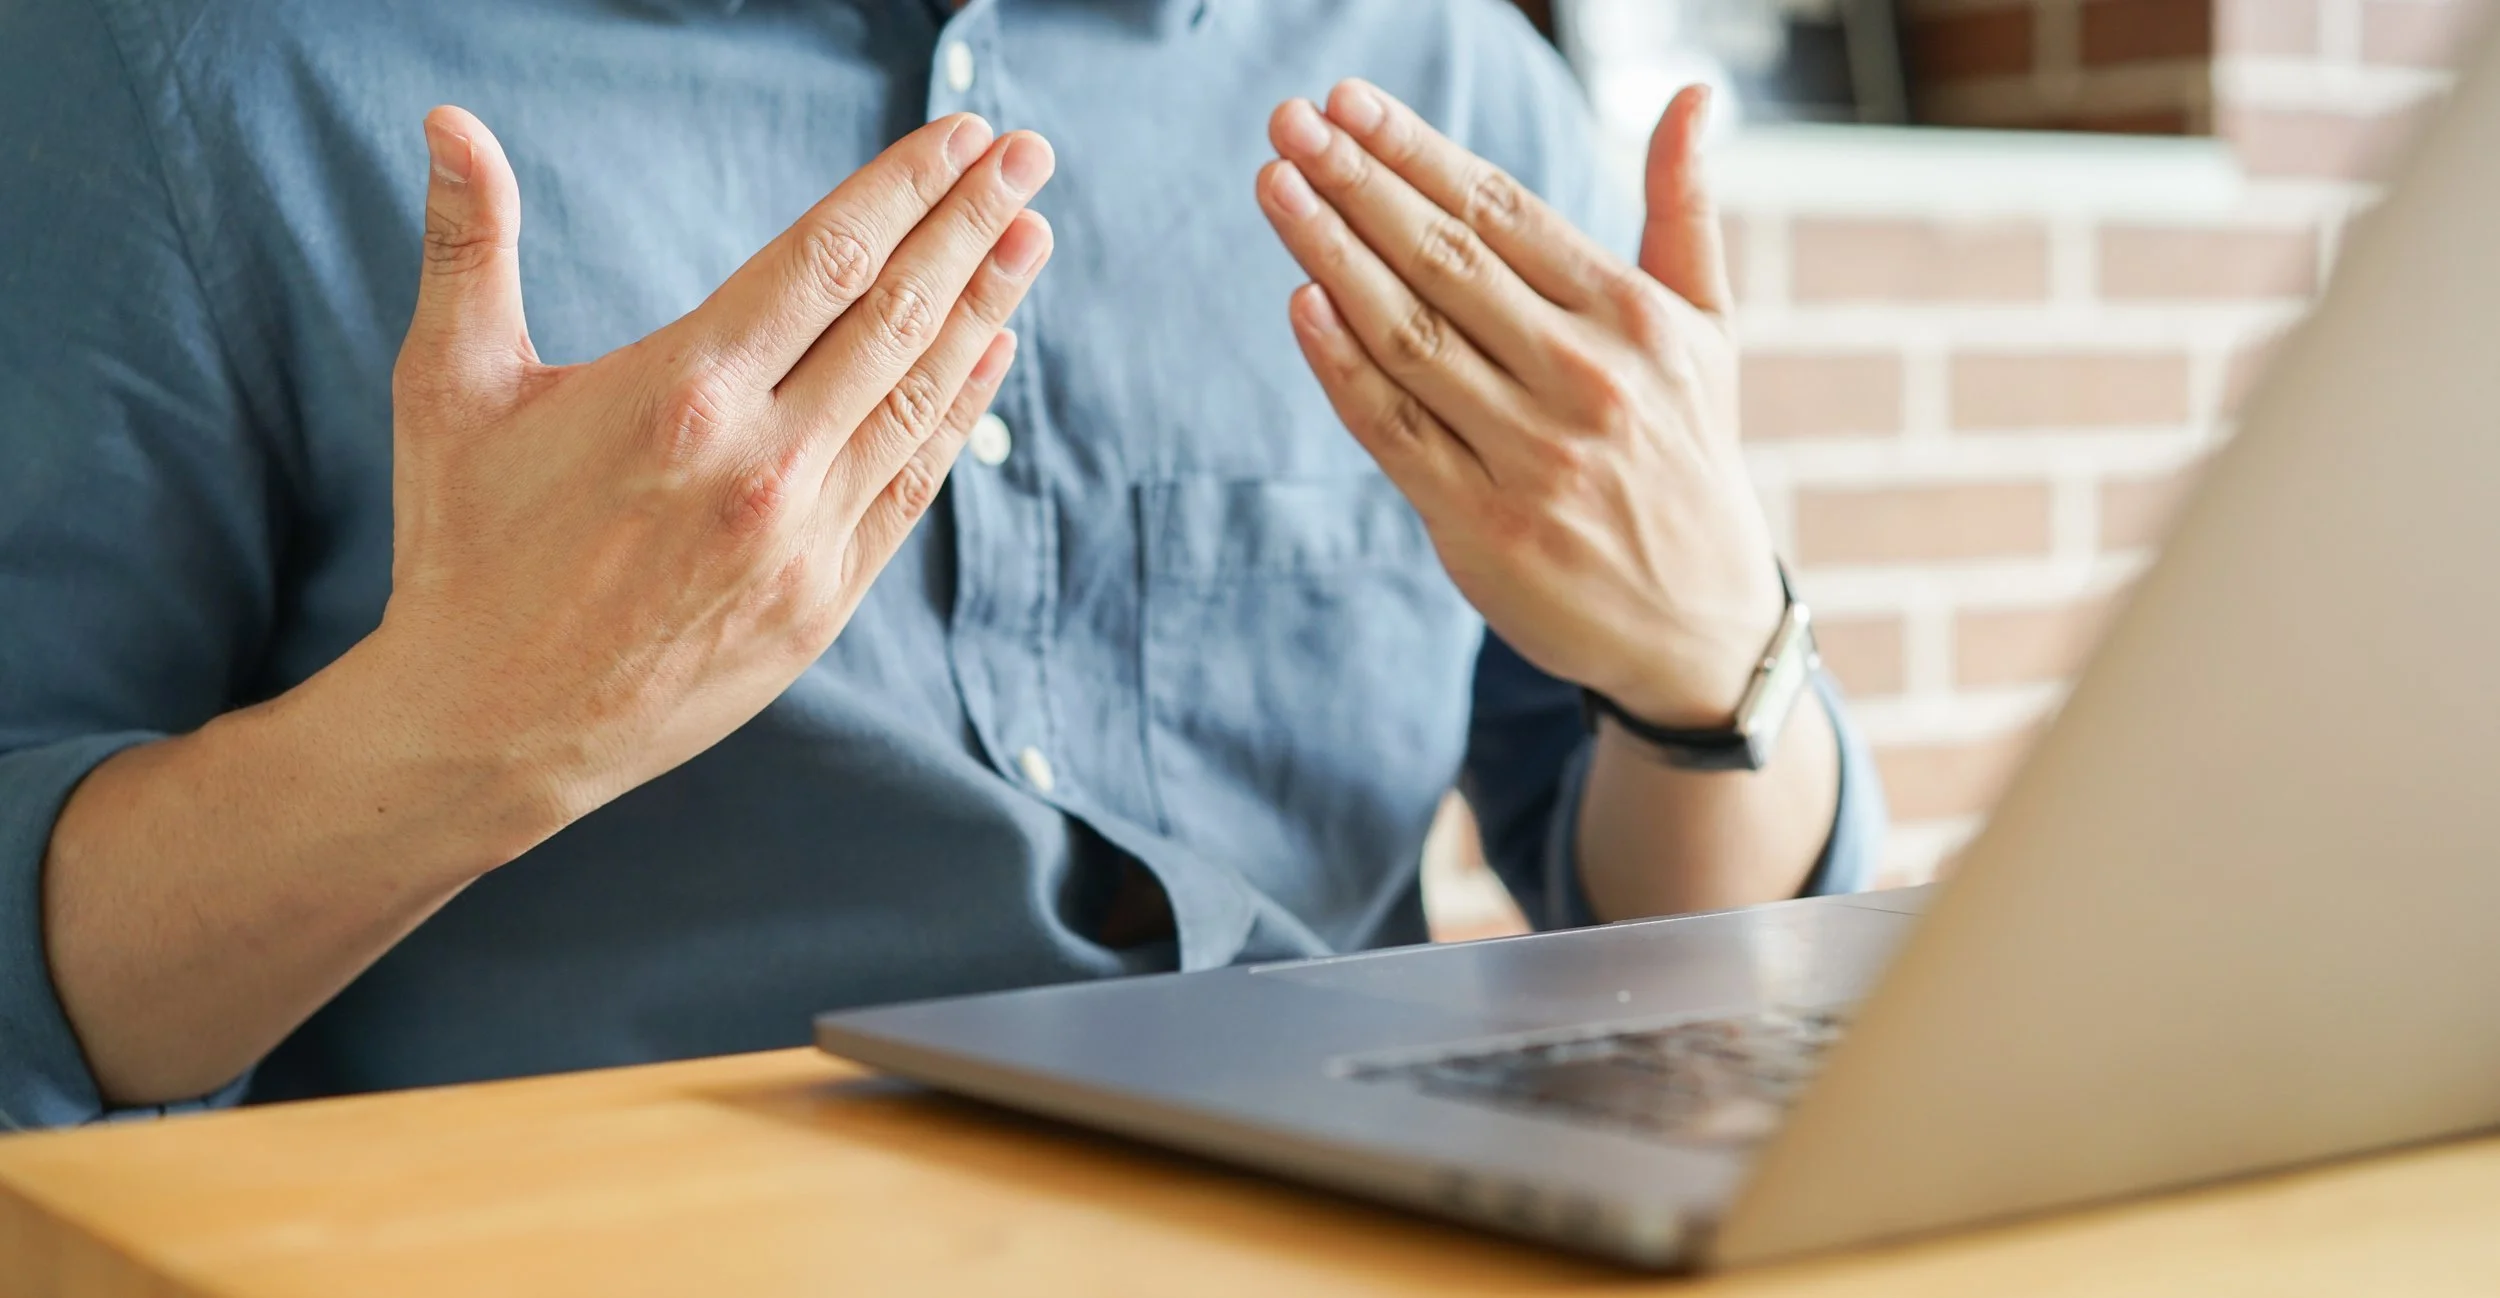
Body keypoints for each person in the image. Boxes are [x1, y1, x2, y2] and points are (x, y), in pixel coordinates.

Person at [0, 0, 1884, 1130]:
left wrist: (1718, 656)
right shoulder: (186, 58)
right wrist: (454, 740)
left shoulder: (1446, 78)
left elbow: (1651, 931)